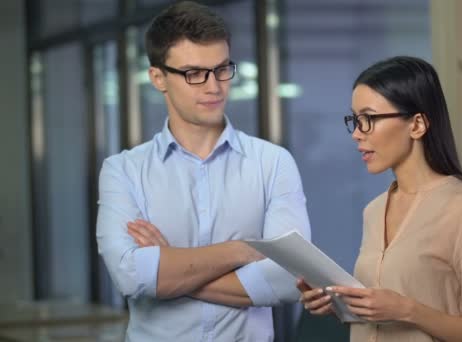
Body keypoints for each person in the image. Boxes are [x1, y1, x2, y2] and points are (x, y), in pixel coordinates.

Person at [96, 2, 311, 341]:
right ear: (158, 78)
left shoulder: (272, 163)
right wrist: (242, 250)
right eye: (194, 74)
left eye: (222, 69)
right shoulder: (123, 171)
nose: (214, 87)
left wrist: (171, 269)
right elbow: (130, 276)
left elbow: (288, 279)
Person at [297, 56, 462, 342]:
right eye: (355, 120)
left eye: (369, 119)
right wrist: (338, 305)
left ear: (417, 125)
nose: (357, 134)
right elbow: (380, 316)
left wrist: (409, 310)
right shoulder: (373, 211)